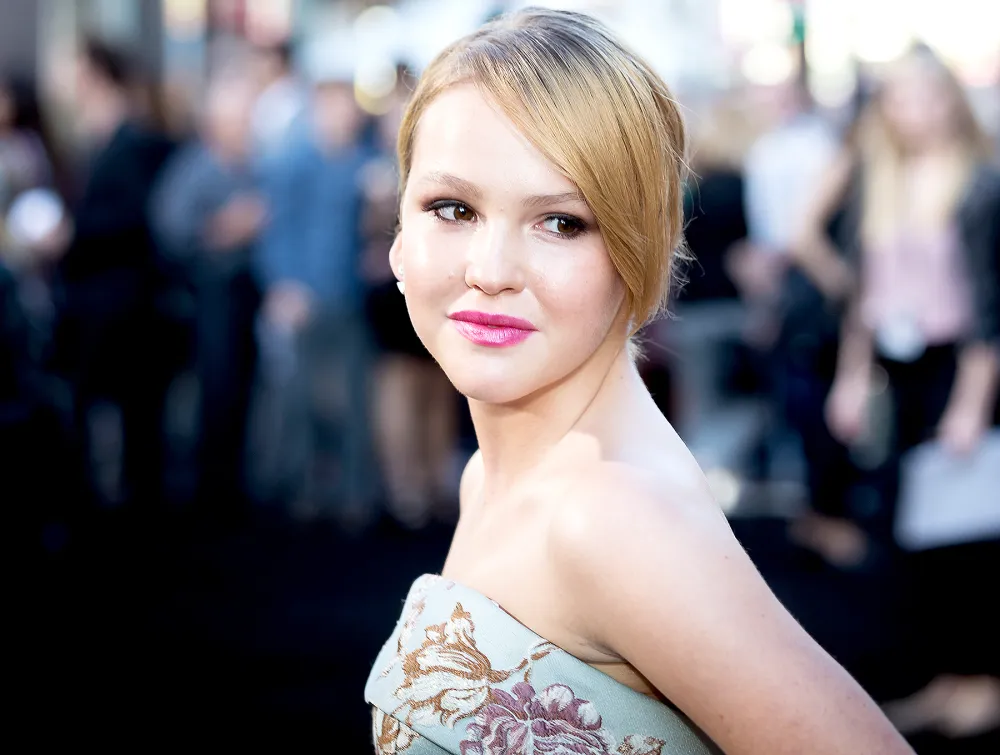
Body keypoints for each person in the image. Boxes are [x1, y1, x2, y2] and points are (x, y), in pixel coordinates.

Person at [364, 9, 912, 754]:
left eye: (561, 222)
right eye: (452, 208)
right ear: (399, 236)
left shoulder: (609, 515)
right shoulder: (491, 477)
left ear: (641, 249)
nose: (490, 270)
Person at [151, 73, 264, 518]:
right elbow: (169, 230)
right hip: (209, 293)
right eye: (237, 119)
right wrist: (221, 230)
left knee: (243, 388)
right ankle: (209, 490)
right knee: (215, 388)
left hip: (245, 293)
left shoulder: (253, 164)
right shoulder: (194, 167)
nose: (244, 126)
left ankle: (234, 482)